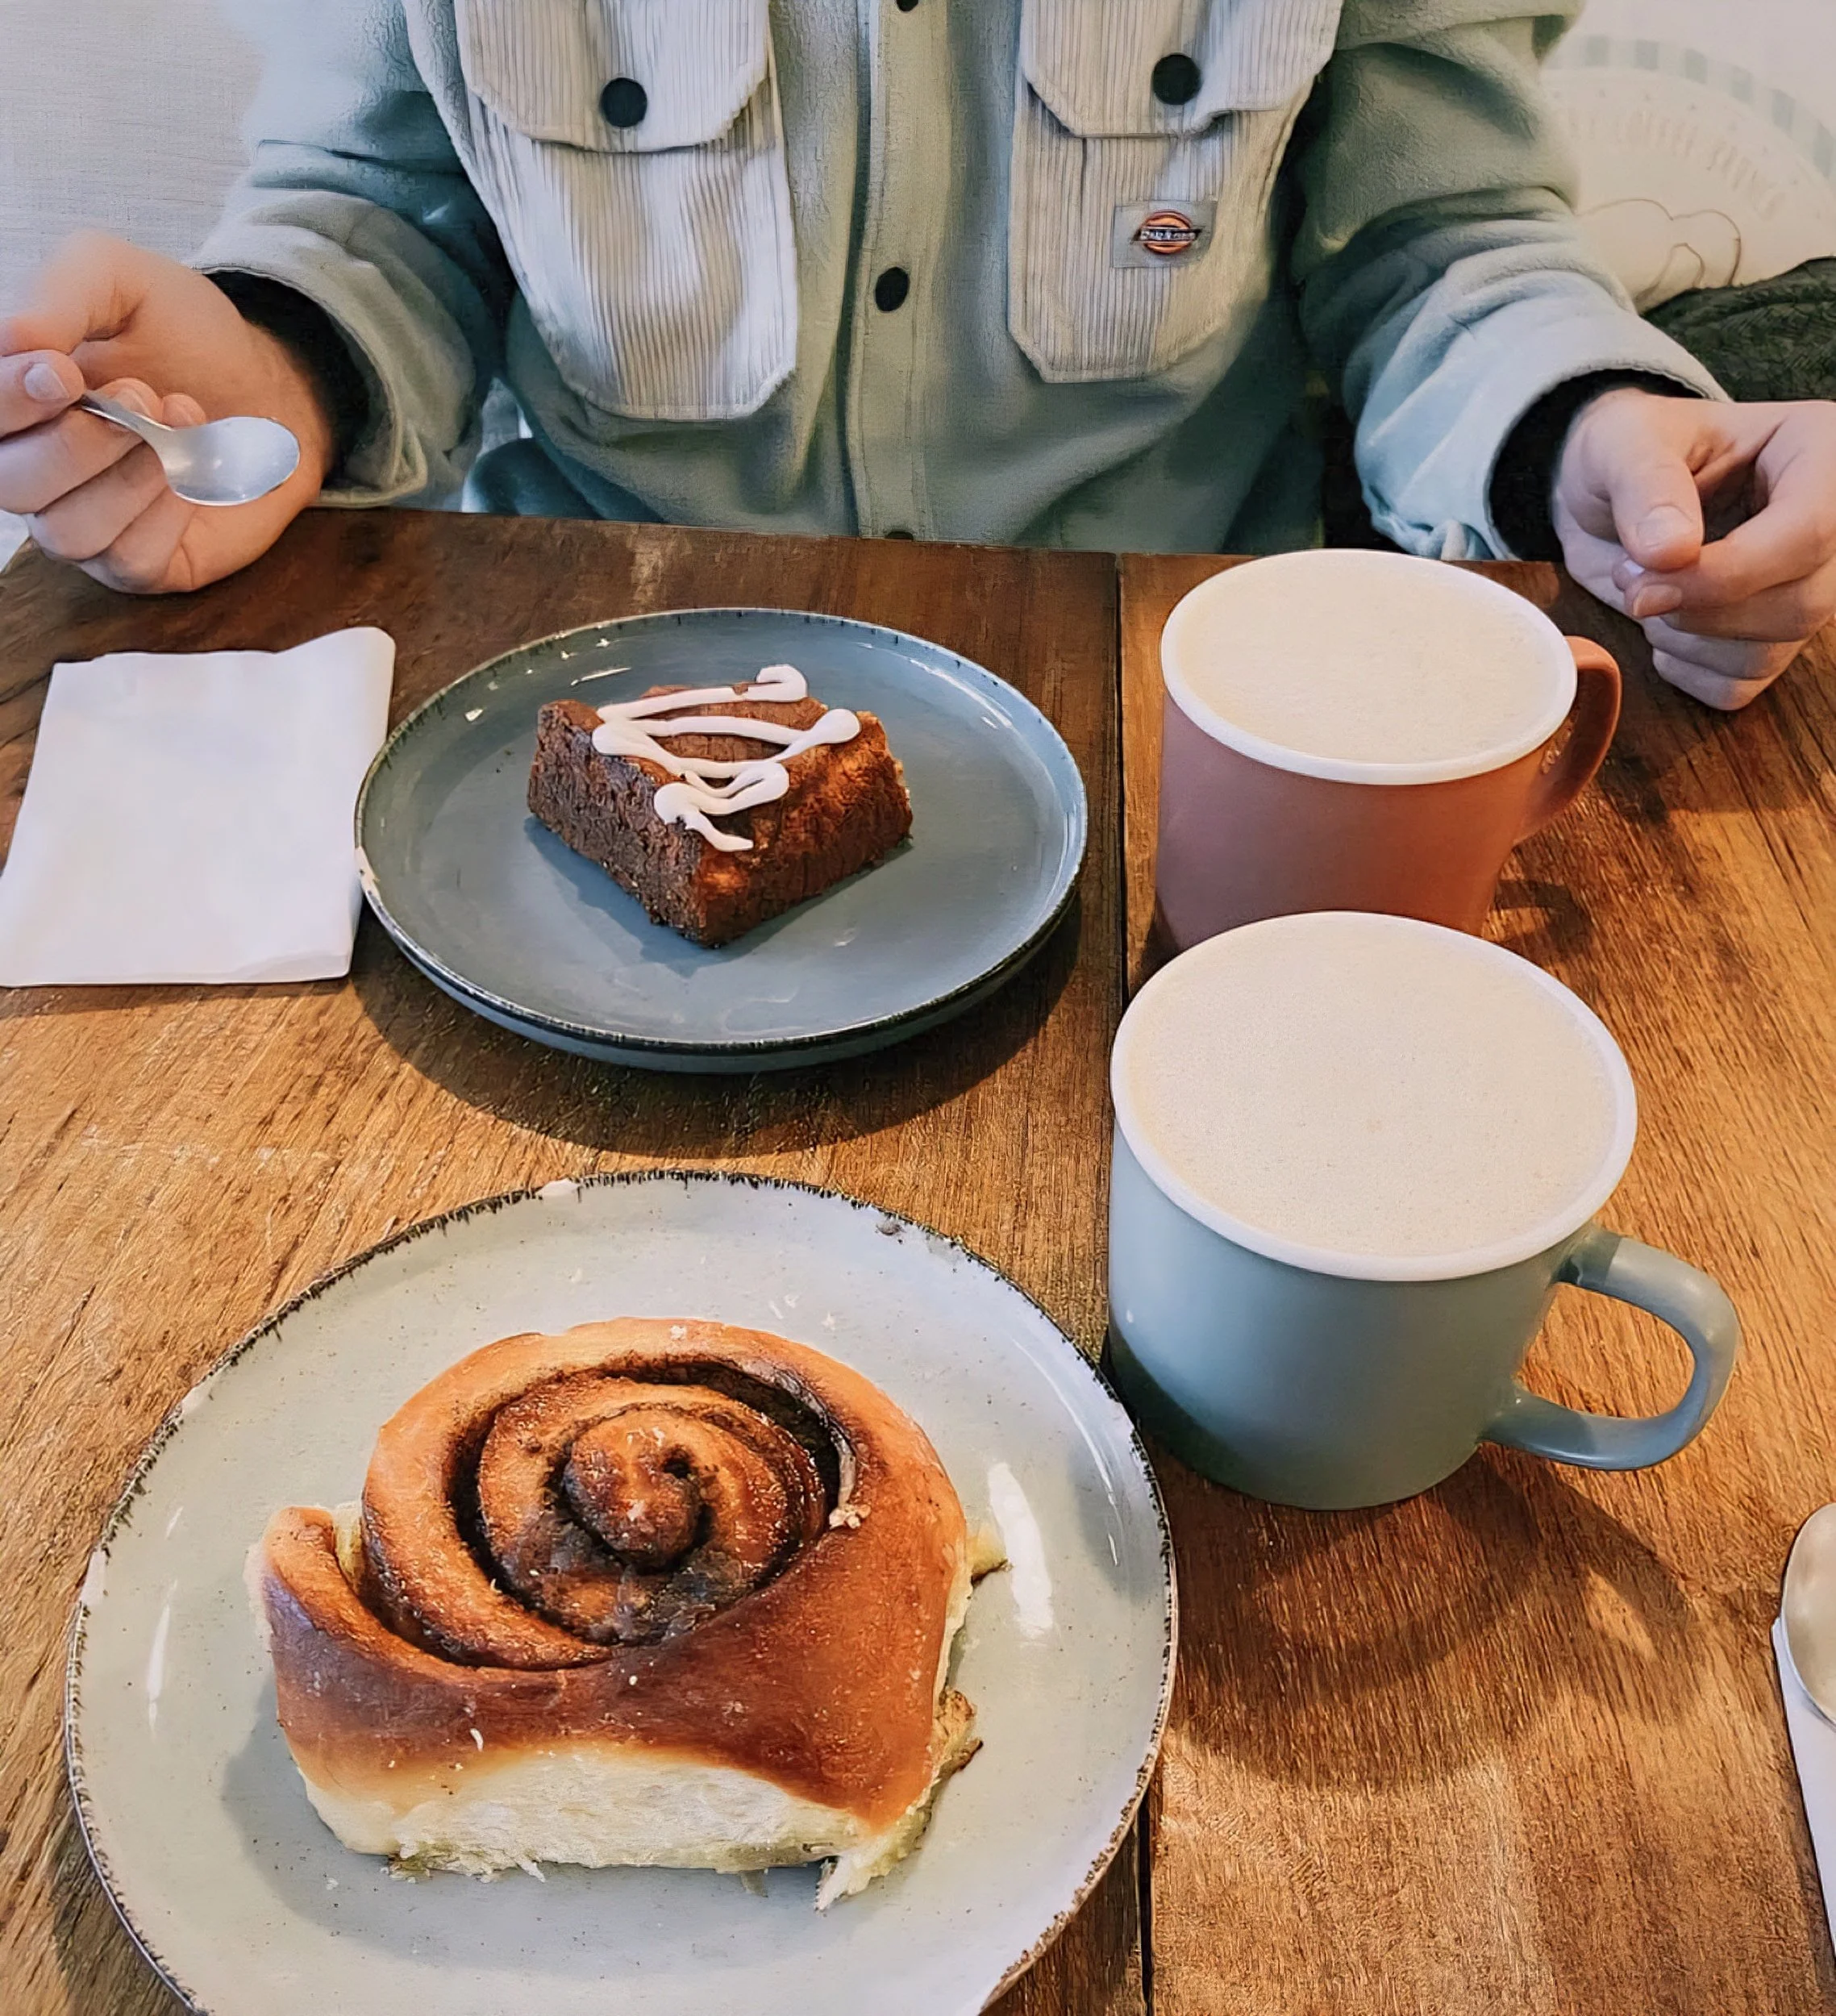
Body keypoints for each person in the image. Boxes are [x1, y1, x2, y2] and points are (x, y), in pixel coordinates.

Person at [1, 0, 1831, 714]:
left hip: (1189, 710)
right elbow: (389, 210)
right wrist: (260, 375)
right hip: (577, 689)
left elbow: (1431, 232)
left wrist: (1597, 419)